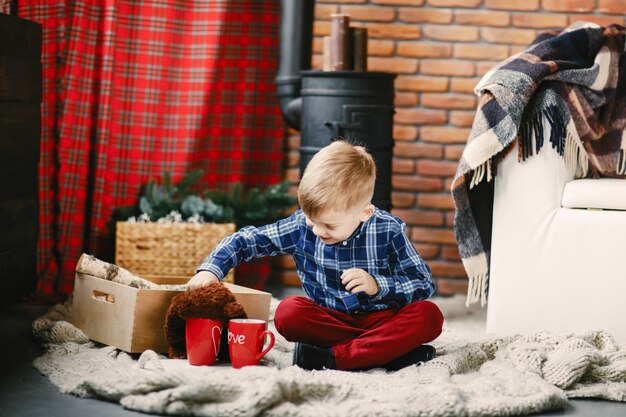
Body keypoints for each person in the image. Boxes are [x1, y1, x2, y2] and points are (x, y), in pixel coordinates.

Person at [187, 140, 444, 371]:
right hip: (329, 322)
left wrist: (378, 285)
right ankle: (385, 353)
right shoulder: (301, 226)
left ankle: (333, 359)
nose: (318, 230)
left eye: (330, 226)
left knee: (429, 316)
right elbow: (246, 241)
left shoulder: (388, 229)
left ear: (364, 213)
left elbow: (422, 282)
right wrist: (212, 269)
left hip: (381, 319)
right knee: (287, 313)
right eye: (312, 220)